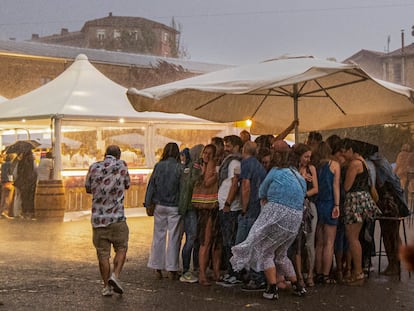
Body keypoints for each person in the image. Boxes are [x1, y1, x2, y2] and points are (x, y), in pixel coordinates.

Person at [230, 147, 307, 300]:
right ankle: (298, 286)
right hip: (296, 217)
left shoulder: (275, 172)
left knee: (265, 251)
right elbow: (303, 193)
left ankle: (272, 289)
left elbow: (262, 191)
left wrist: (266, 199)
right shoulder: (298, 176)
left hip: (277, 213)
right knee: (281, 254)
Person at [85, 145, 130, 296]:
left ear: (105, 154)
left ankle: (106, 287)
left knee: (103, 254)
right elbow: (127, 184)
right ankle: (115, 276)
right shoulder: (122, 165)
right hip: (117, 217)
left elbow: (88, 188)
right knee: (122, 247)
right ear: (118, 155)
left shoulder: (93, 166)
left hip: (98, 219)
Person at [341, 138, 379, 285]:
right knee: (356, 238)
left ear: (351, 150)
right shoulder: (363, 161)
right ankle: (358, 272)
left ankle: (358, 273)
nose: (344, 155)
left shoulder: (354, 164)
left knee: (353, 238)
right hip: (363, 199)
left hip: (355, 200)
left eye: (345, 152)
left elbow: (347, 186)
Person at [145, 142, 182, 280]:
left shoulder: (158, 166)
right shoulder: (179, 168)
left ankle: (157, 266)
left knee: (158, 236)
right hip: (174, 206)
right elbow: (182, 189)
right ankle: (172, 268)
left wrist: (148, 203)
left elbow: (151, 185)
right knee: (174, 237)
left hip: (159, 205)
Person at [236, 141, 267, 291]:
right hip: (259, 208)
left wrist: (244, 207)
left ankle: (253, 276)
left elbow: (246, 186)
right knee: (254, 244)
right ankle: (254, 275)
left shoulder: (246, 163)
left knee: (243, 244)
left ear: (244, 150)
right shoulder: (260, 166)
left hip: (250, 210)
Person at [192, 144, 221, 286]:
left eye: (210, 153)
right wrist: (216, 175)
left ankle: (213, 272)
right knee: (206, 241)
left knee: (212, 242)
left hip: (210, 205)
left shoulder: (204, 165)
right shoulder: (206, 165)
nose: (207, 155)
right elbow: (208, 182)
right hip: (207, 206)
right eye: (205, 152)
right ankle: (203, 274)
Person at [216, 135, 243, 286]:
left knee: (230, 241)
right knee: (228, 241)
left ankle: (234, 273)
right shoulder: (232, 161)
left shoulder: (233, 162)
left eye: (229, 145)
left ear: (237, 146)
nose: (226, 148)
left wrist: (227, 202)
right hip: (227, 205)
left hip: (230, 207)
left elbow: (234, 184)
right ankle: (232, 272)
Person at [314, 142, 340, 284]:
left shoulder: (315, 167)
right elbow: (335, 186)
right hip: (330, 203)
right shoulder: (334, 165)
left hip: (318, 204)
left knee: (319, 243)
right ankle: (325, 274)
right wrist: (337, 205)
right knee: (329, 242)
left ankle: (317, 272)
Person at [178, 144, 204, 284]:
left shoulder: (187, 167)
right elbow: (192, 184)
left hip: (188, 207)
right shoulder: (195, 167)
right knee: (192, 237)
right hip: (191, 207)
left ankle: (191, 268)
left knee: (193, 238)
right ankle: (187, 269)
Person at [294, 143, 318, 287]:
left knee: (310, 241)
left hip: (309, 206)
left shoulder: (311, 169)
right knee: (297, 242)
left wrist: (303, 194)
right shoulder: (292, 170)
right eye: (305, 156)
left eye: (309, 156)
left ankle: (310, 274)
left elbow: (316, 188)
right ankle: (298, 275)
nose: (308, 159)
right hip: (296, 207)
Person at [13, 151, 37, 219]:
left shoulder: (20, 162)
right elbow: (35, 171)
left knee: (23, 197)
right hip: (30, 182)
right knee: (30, 198)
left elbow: (15, 173)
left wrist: (18, 179)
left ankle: (24, 212)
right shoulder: (32, 162)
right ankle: (29, 213)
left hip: (22, 183)